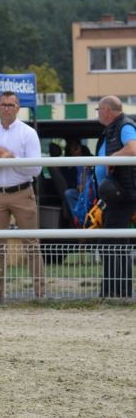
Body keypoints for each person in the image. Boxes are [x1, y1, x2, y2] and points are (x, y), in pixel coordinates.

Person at [0, 90, 44, 302]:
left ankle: (40, 293)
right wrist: (3, 161)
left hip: (22, 192)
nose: (6, 108)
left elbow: (36, 169)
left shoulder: (28, 133)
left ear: (18, 108)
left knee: (31, 243)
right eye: (3, 104)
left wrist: (9, 158)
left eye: (10, 105)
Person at [94, 95, 136, 297]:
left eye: (98, 109)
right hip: (115, 195)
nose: (97, 113)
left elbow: (133, 148)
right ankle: (117, 290)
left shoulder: (124, 126)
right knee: (115, 242)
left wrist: (112, 157)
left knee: (111, 242)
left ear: (107, 111)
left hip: (123, 195)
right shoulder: (112, 129)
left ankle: (116, 290)